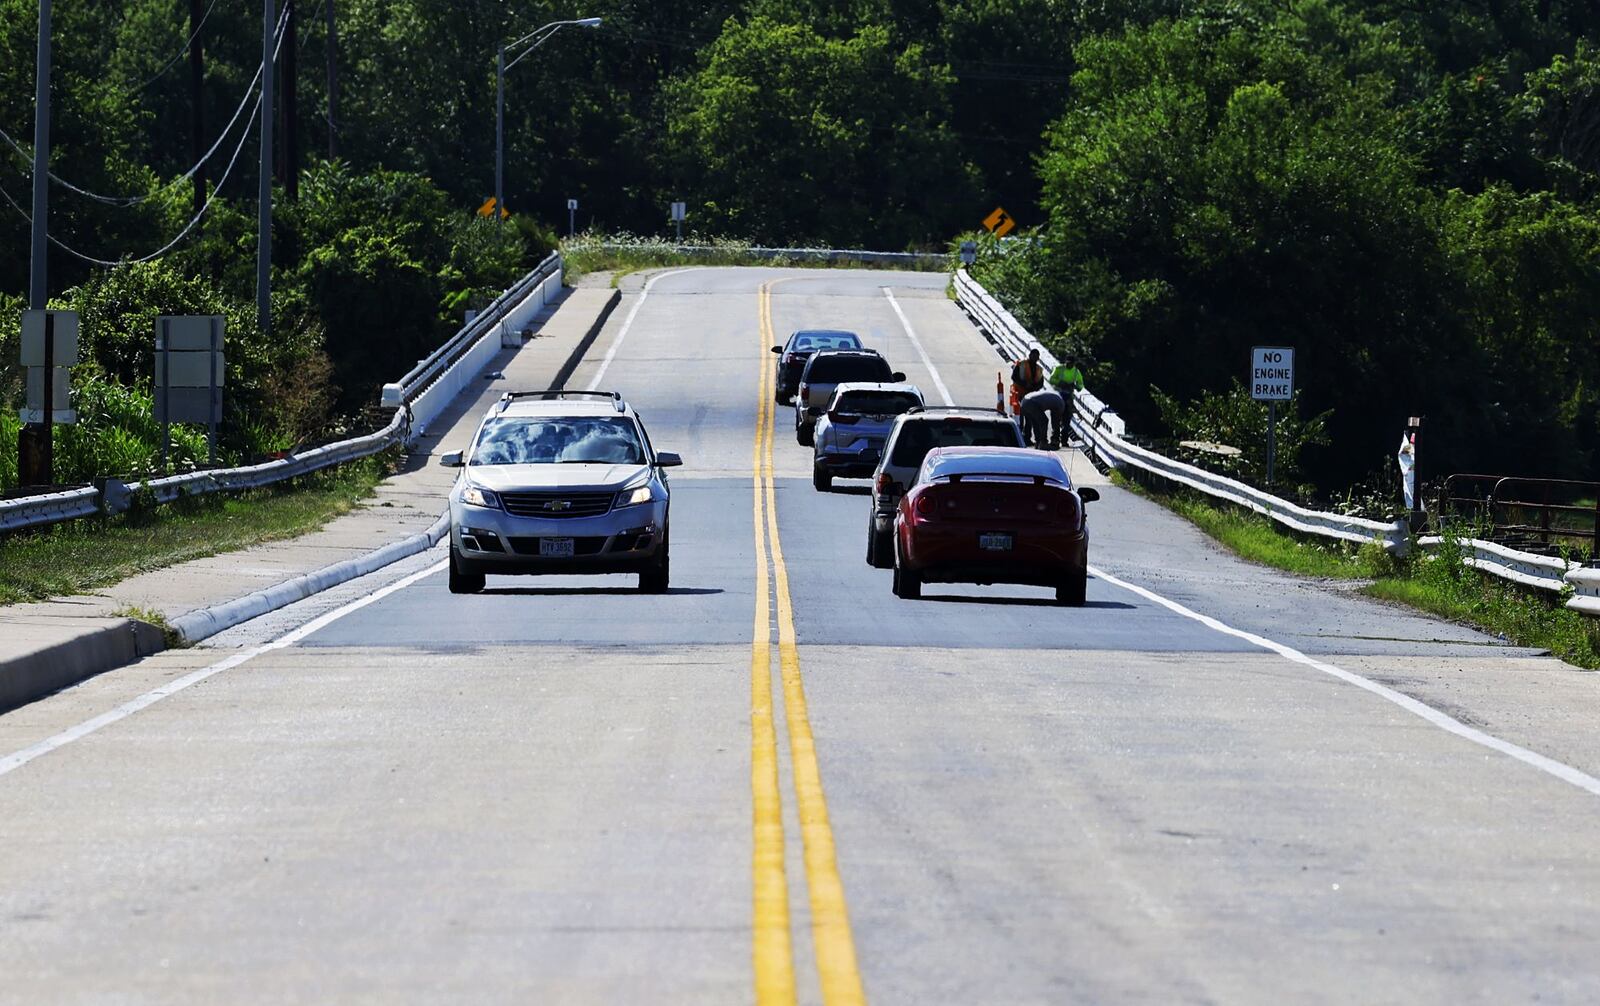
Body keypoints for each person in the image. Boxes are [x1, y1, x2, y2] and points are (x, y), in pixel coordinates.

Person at [1049, 354, 1085, 445]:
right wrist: (1060, 383)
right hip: (1057, 396)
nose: (1070, 365)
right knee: (1056, 418)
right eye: (1068, 363)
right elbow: (1051, 379)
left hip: (1068, 398)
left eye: (1072, 364)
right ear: (1065, 362)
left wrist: (1075, 386)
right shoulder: (1059, 369)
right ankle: (1055, 438)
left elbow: (1081, 385)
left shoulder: (1076, 372)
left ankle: (1064, 439)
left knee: (1066, 419)